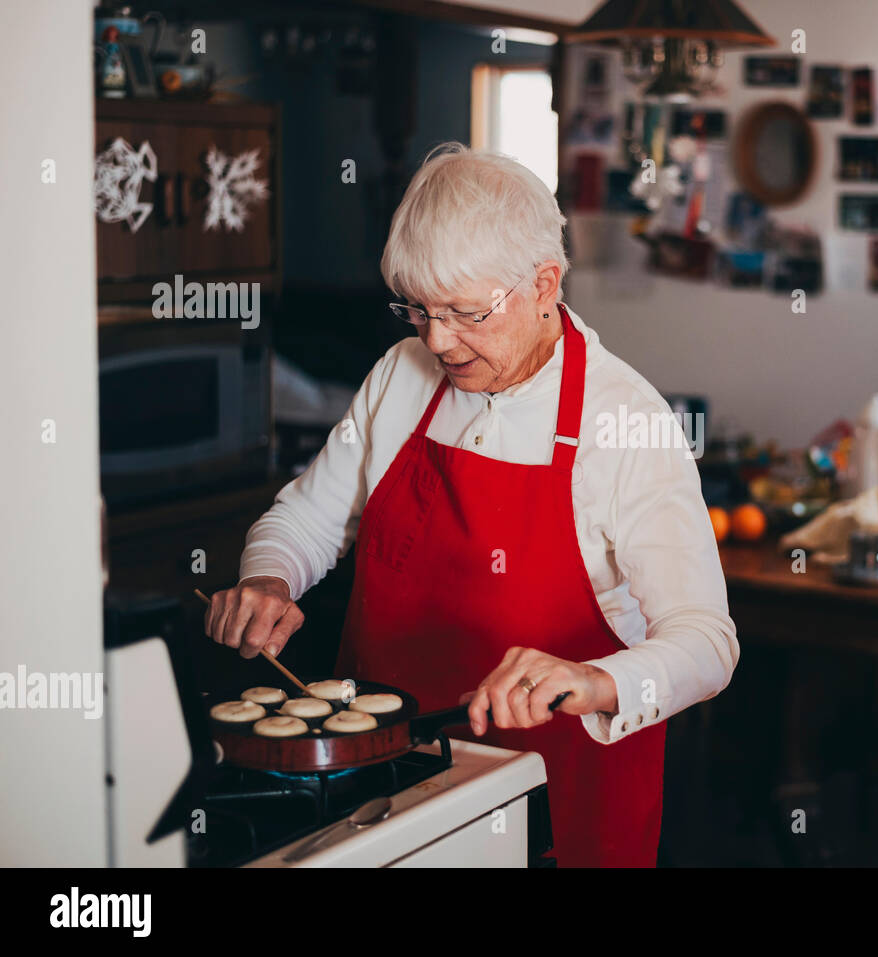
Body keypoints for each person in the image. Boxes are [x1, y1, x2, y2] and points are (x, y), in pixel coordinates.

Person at [203, 144, 739, 867]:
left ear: (545, 285)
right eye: (417, 309)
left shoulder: (627, 421)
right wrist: (270, 578)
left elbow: (707, 641)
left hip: (556, 822)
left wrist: (595, 679)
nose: (437, 339)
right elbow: (305, 516)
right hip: (381, 808)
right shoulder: (402, 373)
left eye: (463, 312)